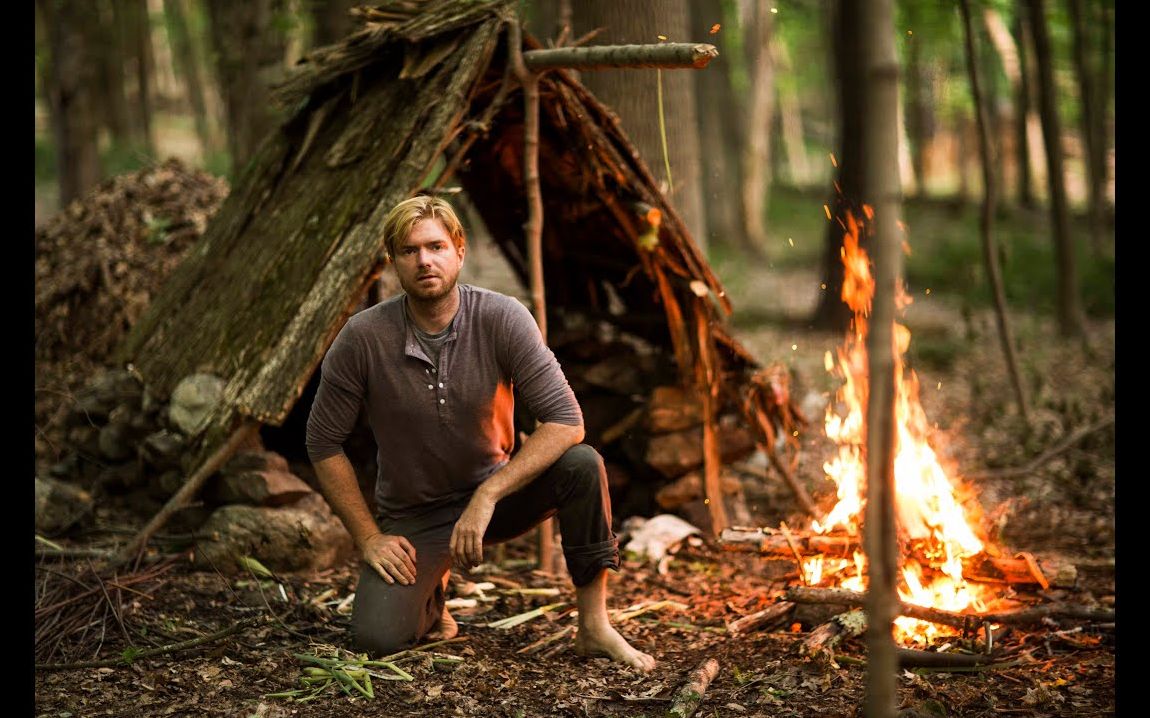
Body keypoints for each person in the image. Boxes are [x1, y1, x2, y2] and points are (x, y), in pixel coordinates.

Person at [305, 195, 655, 672]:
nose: (424, 260)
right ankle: (432, 600)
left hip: (499, 498)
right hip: (416, 515)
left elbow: (567, 421)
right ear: (393, 262)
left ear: (459, 250)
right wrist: (368, 538)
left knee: (582, 465)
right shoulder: (363, 337)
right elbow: (322, 443)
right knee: (376, 639)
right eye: (409, 251)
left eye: (435, 246)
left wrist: (488, 494)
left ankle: (593, 625)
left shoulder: (501, 317)